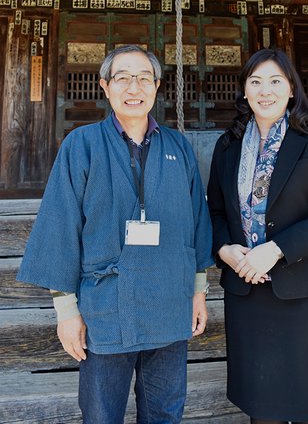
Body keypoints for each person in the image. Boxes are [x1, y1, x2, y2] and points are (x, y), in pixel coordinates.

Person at [18, 44, 213, 424]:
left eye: (143, 78)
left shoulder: (178, 147)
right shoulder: (82, 144)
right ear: (105, 86)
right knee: (101, 415)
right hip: (106, 307)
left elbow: (197, 224)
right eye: (122, 78)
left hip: (169, 305)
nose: (133, 87)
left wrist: (198, 291)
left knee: (165, 413)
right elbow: (61, 225)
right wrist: (66, 312)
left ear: (157, 86)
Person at [207, 48, 308, 424]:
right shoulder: (227, 146)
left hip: (303, 288)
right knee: (262, 407)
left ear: (291, 89)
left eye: (274, 81)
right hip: (247, 291)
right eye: (255, 82)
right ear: (245, 91)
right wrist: (224, 250)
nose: (264, 91)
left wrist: (276, 250)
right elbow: (215, 212)